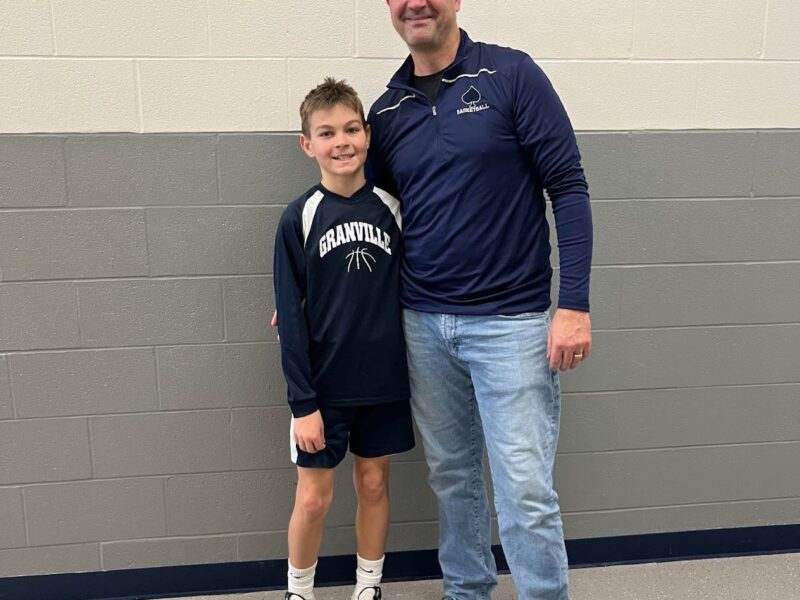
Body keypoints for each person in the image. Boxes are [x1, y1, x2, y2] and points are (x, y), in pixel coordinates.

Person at [365, 1, 593, 598]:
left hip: (511, 323)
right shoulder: (385, 112)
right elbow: (371, 218)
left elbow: (567, 186)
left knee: (525, 490)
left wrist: (573, 305)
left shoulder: (510, 75)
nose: (415, 3)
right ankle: (466, 591)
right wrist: (315, 292)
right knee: (451, 476)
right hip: (423, 322)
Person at [274, 77, 415, 600]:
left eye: (352, 129)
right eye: (327, 133)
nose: (342, 142)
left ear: (367, 135)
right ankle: (299, 591)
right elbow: (290, 319)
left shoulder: (394, 210)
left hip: (383, 382)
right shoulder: (299, 217)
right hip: (323, 388)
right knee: (313, 498)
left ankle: (368, 586)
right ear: (307, 144)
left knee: (373, 485)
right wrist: (302, 403)